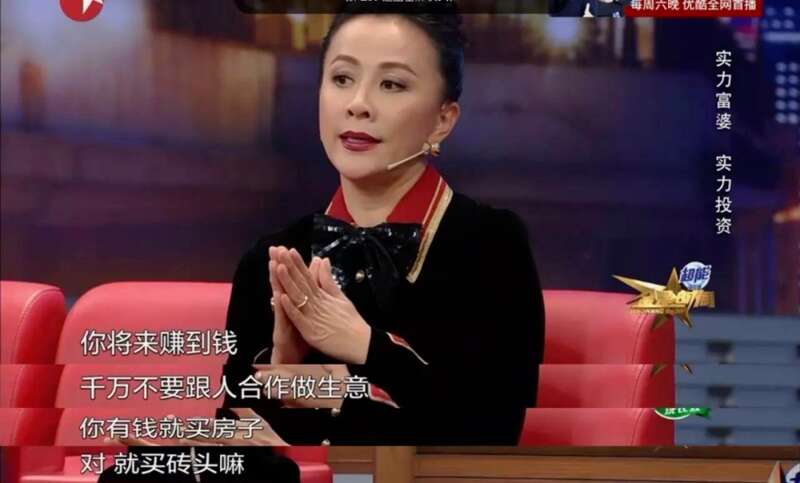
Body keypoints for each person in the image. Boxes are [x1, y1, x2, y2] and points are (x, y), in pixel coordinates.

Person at [101, 2, 544, 480]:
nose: (358, 104)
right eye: (342, 78)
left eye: (392, 84)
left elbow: (488, 434)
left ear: (443, 119)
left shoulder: (491, 245)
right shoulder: (272, 255)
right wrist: (280, 368)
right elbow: (250, 432)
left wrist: (366, 347)